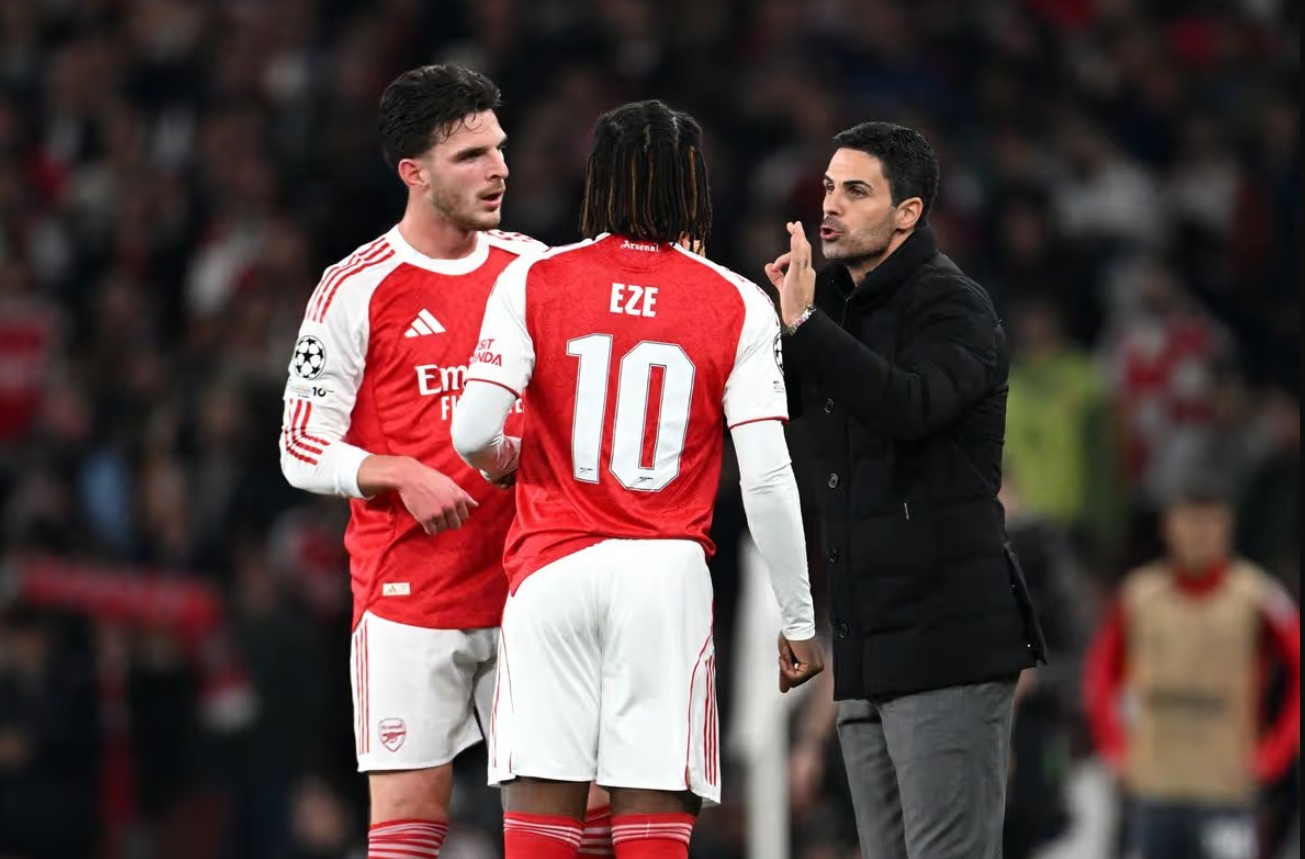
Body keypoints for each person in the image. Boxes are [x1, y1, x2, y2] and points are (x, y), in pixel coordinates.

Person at [450, 99, 822, 859]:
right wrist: (797, 617)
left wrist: (508, 460)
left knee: (542, 831)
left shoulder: (535, 278)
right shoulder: (736, 301)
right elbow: (767, 480)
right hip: (663, 576)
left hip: (551, 569)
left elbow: (469, 431)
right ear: (693, 186)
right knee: (651, 832)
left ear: (602, 180)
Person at [277, 64, 610, 859]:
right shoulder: (354, 289)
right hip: (408, 594)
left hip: (529, 588)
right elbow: (300, 446)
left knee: (585, 816)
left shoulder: (534, 269)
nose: (498, 168)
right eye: (469, 156)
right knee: (407, 826)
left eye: (499, 148)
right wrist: (398, 471)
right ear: (413, 172)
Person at [765, 121, 1047, 858]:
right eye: (828, 187)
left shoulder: (952, 304)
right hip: (867, 653)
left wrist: (802, 324)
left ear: (907, 213)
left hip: (947, 646)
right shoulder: (830, 311)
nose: (830, 205)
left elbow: (908, 406)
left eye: (856, 191)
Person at [1084, 484, 1301, 859]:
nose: (1199, 534)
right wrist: (1115, 749)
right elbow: (1100, 673)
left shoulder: (1258, 598)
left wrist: (1274, 754)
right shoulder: (1139, 596)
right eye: (1189, 522)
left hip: (1225, 790)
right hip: (1154, 788)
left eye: (1210, 522)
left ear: (1227, 527)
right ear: (1169, 526)